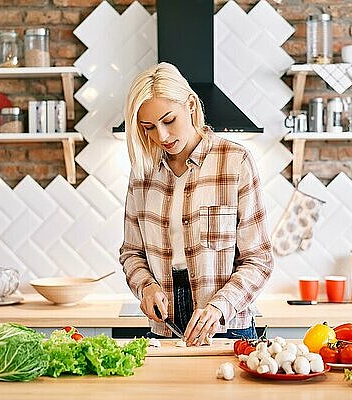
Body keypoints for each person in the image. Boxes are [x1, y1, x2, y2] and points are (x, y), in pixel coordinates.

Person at [119, 62, 273, 346]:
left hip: (228, 326)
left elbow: (259, 260)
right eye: (148, 127)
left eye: (168, 120)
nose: (161, 136)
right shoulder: (142, 172)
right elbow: (131, 253)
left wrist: (219, 306)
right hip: (165, 327)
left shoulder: (235, 161)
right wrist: (146, 287)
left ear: (190, 105)